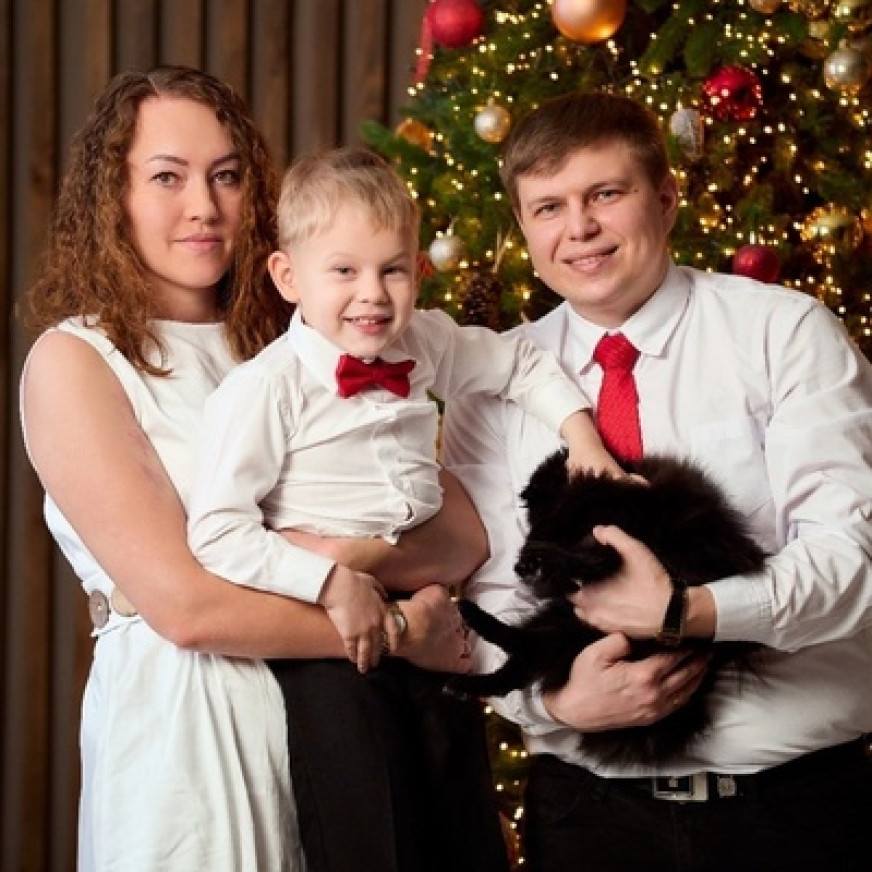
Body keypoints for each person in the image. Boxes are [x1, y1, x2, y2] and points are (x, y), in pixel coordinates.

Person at [19, 65, 487, 872]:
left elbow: (458, 534)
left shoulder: (305, 339)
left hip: (333, 720)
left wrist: (330, 553)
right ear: (114, 196)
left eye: (227, 176)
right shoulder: (78, 360)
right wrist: (402, 632)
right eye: (167, 177)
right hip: (187, 725)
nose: (205, 206)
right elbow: (188, 608)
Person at [442, 91, 872, 872]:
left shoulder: (784, 334)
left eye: (606, 193)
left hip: (791, 810)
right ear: (525, 229)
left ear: (667, 198)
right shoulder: (491, 384)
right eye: (548, 208)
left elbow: (853, 561)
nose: (579, 228)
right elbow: (490, 592)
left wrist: (688, 612)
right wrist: (556, 700)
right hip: (587, 816)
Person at [186, 145, 622, 675]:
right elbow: (217, 532)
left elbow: (519, 365)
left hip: (426, 601)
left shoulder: (424, 339)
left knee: (445, 726)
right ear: (288, 277)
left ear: (417, 272)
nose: (372, 294)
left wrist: (583, 441)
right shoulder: (264, 389)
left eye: (391, 270)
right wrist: (329, 581)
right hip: (320, 615)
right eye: (344, 270)